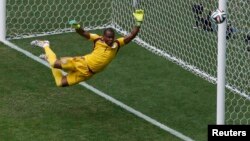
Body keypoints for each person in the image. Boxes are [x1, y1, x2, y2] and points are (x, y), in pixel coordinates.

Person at [31, 9, 144, 87]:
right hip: (80, 63)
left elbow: (131, 35)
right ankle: (45, 44)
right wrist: (77, 27)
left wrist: (138, 22)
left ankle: (47, 57)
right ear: (103, 36)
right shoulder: (97, 39)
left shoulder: (117, 44)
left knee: (60, 83)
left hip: (87, 73)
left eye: (112, 37)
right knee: (54, 63)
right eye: (108, 37)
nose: (111, 39)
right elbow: (83, 33)